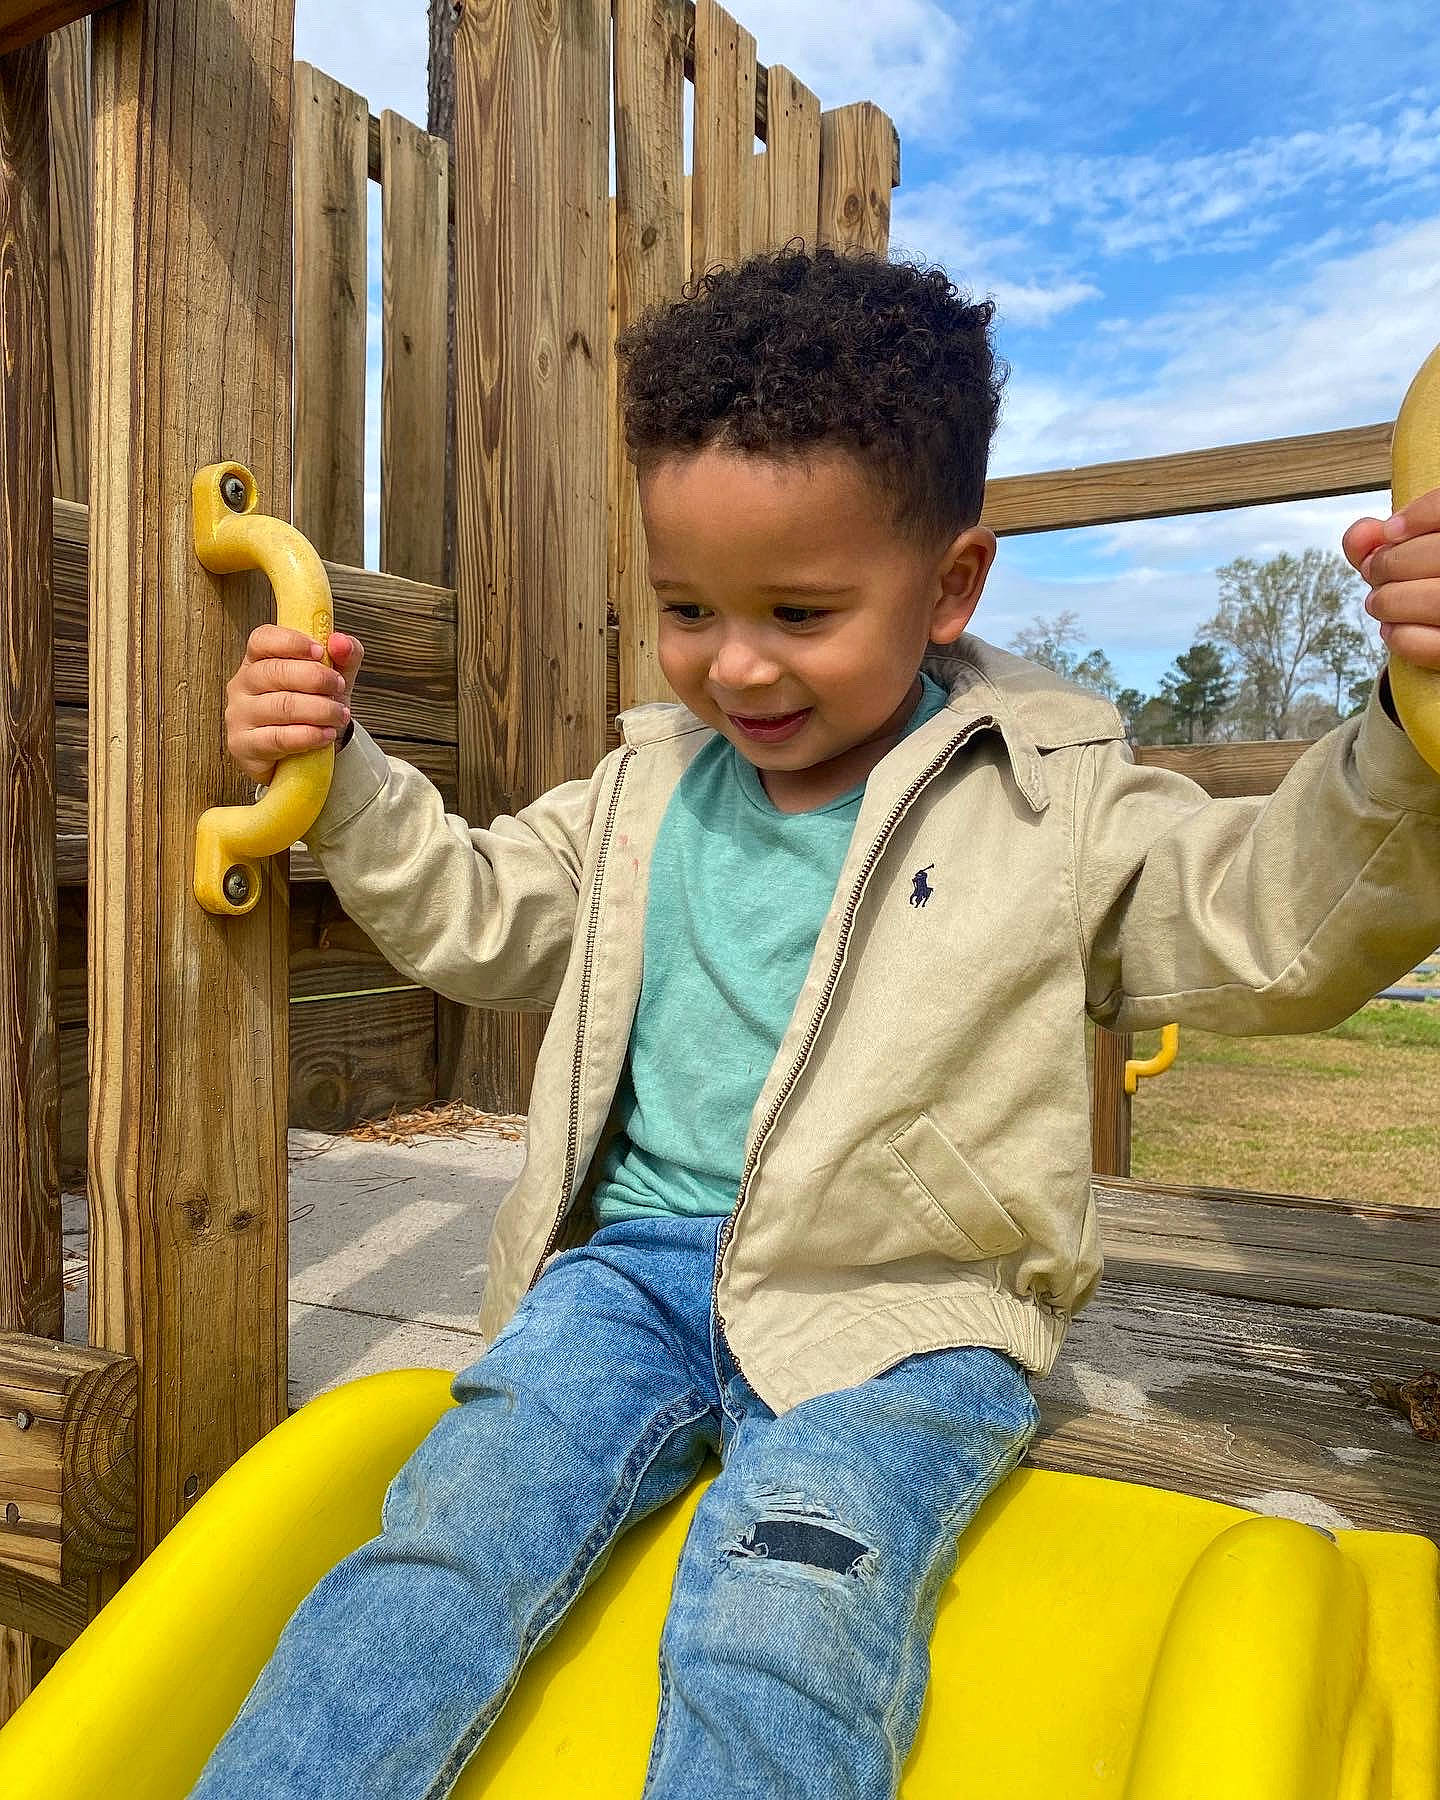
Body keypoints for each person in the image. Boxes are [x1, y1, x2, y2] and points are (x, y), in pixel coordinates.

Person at [192, 247, 1440, 1800]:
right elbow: (479, 916)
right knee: (440, 1549)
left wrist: (1404, 732)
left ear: (952, 586)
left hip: (895, 1313)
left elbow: (1274, 925)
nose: (738, 664)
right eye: (687, 609)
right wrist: (346, 769)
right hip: (631, 1279)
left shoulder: (1047, 802)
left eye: (799, 608)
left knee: (784, 1622)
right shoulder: (650, 788)